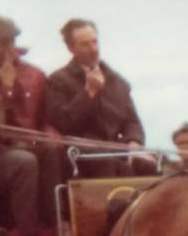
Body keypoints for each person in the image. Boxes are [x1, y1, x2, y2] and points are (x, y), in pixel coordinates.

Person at [44, 18, 156, 177]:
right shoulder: (58, 80)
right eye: (85, 44)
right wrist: (89, 92)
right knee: (104, 159)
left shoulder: (117, 81)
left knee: (150, 163)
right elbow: (63, 123)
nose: (94, 49)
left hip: (116, 149)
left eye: (95, 42)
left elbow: (132, 121)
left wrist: (134, 143)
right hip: (78, 153)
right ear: (70, 48)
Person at [0, 16, 63, 236]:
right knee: (23, 163)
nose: (6, 49)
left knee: (47, 150)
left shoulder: (24, 73)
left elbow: (27, 118)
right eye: (1, 43)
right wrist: (6, 88)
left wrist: (49, 134)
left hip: (11, 146)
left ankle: (54, 227)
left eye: (9, 42)